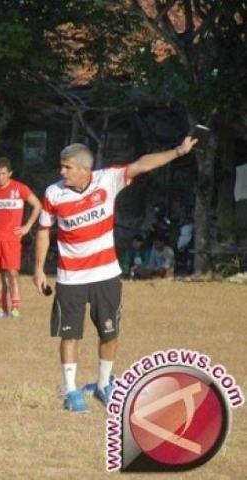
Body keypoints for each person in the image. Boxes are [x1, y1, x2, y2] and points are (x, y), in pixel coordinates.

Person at [33, 136, 197, 413]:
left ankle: (102, 385)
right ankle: (71, 391)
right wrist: (38, 269)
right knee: (69, 335)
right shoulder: (53, 193)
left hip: (105, 274)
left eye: (67, 167)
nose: (62, 172)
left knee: (109, 334)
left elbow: (142, 165)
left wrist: (178, 151)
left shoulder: (107, 180)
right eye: (61, 167)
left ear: (85, 169)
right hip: (70, 277)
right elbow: (43, 232)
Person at [0, 157, 41, 319]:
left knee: (12, 272)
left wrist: (27, 226)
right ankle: (2, 308)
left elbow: (37, 205)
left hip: (11, 239)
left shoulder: (19, 189)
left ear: (10, 174)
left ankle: (15, 308)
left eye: (3, 174)